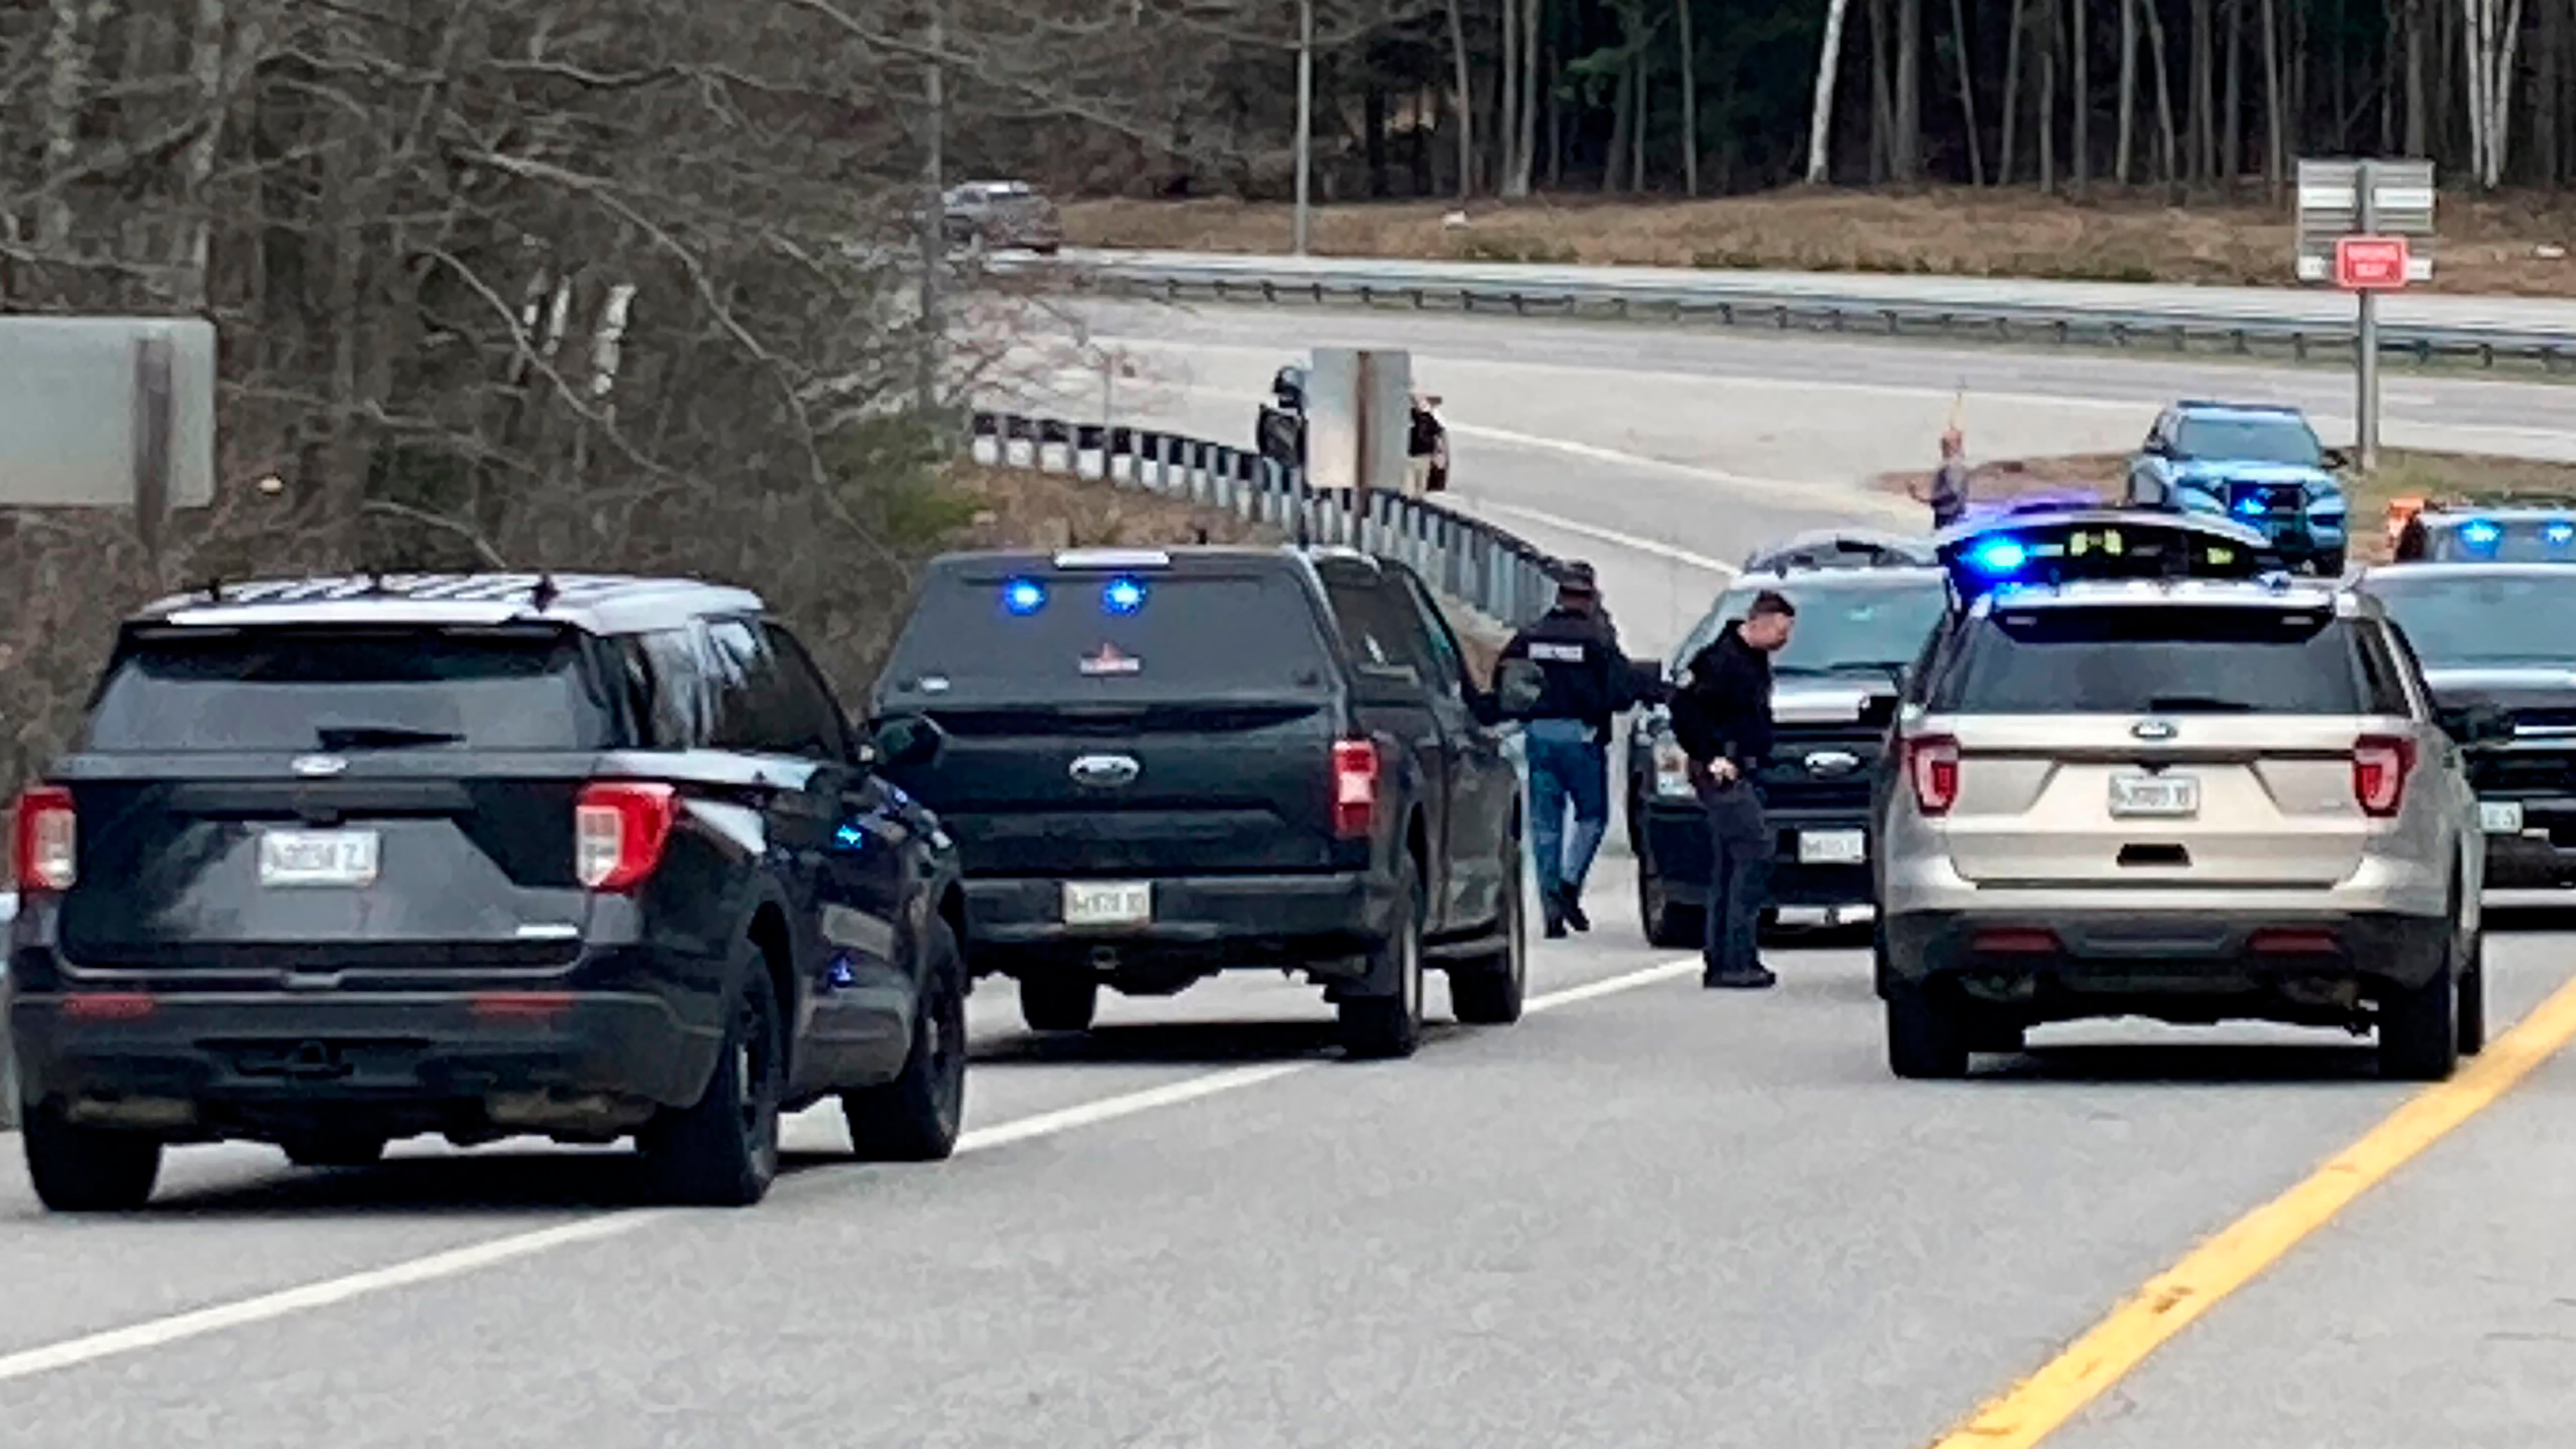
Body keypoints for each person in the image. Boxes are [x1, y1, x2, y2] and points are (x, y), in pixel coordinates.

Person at [1669, 590, 1798, 989]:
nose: (1784, 640)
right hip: (1723, 773)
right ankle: (1736, 957)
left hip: (1745, 769)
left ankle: (1726, 960)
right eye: (1781, 630)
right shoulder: (1719, 661)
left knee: (1730, 865)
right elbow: (1684, 710)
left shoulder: (1753, 660)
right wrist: (1710, 757)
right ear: (1759, 622)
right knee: (1755, 852)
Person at [1498, 560, 1633, 939]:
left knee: (1545, 826)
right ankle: (1569, 883)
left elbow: (1506, 679)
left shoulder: (1531, 635)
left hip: (1538, 736)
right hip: (1582, 737)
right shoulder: (1597, 639)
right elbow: (1621, 689)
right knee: (1592, 816)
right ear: (1590, 596)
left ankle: (1550, 912)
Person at [1910, 428, 1971, 529]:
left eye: (1945, 445)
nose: (1942, 448)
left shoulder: (1953, 466)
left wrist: (1924, 499)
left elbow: (1952, 494)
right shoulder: (1952, 465)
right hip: (1949, 517)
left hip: (1949, 518)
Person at [1406, 394, 1449, 497]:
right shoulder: (1410, 416)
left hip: (1423, 455)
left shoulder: (1428, 418)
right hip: (1412, 456)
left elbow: (1439, 434)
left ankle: (1417, 500)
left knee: (1420, 485)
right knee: (1411, 486)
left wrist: (1440, 452)